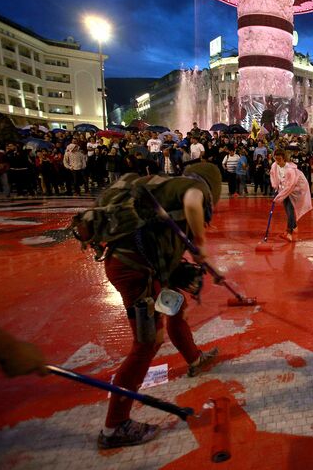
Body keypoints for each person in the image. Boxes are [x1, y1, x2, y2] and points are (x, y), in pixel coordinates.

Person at [97, 163, 222, 450]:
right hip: (134, 270)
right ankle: (114, 426)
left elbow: (163, 232)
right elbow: (193, 200)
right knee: (147, 343)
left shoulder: (166, 188)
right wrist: (200, 245)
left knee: (175, 305)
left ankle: (194, 360)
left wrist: (194, 260)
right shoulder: (193, 188)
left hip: (146, 265)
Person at [270, 148, 312, 241]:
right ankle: (294, 226)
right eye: (276, 159)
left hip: (297, 188)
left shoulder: (290, 170)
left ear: (284, 158)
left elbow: (290, 186)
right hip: (285, 188)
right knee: (287, 207)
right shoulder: (274, 165)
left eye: (279, 159)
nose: (277, 161)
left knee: (290, 209)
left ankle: (289, 232)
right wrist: (275, 187)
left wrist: (278, 197)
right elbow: (273, 176)